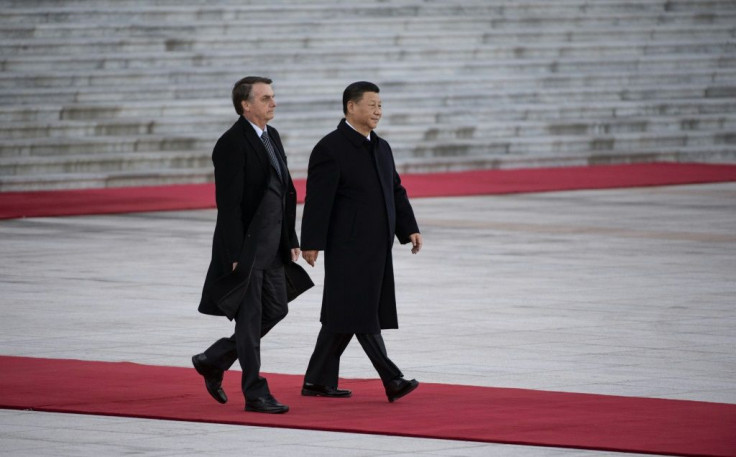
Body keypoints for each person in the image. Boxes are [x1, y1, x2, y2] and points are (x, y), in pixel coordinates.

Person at [300, 81, 423, 402]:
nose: (378, 111)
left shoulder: (381, 147)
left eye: (380, 105)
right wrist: (312, 241)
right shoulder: (331, 148)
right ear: (351, 107)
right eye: (371, 105)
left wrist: (409, 227)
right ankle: (392, 378)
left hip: (377, 247)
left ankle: (316, 380)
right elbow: (317, 200)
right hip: (348, 247)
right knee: (362, 311)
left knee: (344, 314)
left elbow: (395, 190)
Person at [192, 76, 301, 414]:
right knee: (250, 321)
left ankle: (214, 358)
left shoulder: (272, 136)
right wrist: (236, 253)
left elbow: (284, 192)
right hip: (249, 249)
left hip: (273, 246)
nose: (273, 103)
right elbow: (229, 206)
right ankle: (255, 393)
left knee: (277, 309)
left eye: (273, 96)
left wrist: (290, 240)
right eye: (266, 98)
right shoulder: (231, 144)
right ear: (245, 105)